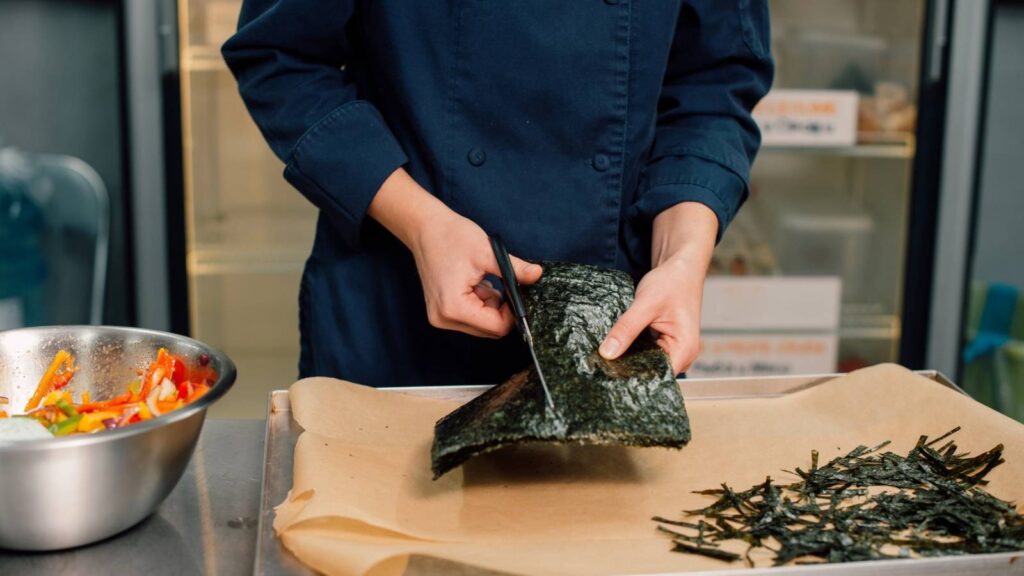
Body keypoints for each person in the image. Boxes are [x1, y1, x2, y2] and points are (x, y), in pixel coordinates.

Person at [222, 1, 773, 386]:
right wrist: (420, 224)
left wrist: (681, 259)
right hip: (397, 307)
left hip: (615, 322)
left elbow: (713, 86)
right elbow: (281, 57)